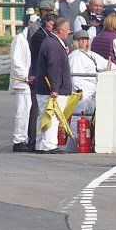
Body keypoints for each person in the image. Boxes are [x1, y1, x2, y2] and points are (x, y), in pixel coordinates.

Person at [33, 16, 76, 152]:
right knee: (52, 116)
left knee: (44, 116)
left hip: (44, 88)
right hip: (51, 90)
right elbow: (54, 67)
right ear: (61, 30)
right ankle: (49, 145)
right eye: (67, 30)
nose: (69, 32)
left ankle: (40, 144)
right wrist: (55, 88)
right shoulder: (54, 45)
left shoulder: (51, 42)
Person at [10, 11, 39, 152]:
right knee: (22, 110)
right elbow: (16, 61)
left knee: (28, 110)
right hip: (22, 81)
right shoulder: (20, 39)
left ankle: (24, 138)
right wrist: (26, 77)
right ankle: (18, 140)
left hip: (29, 80)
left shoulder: (31, 38)